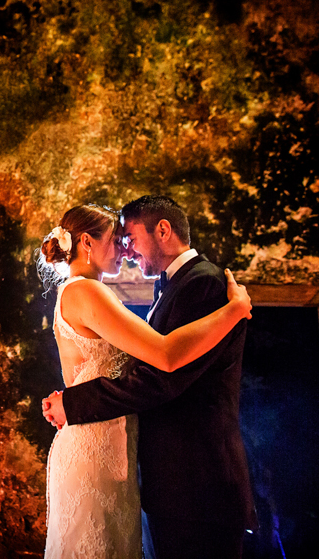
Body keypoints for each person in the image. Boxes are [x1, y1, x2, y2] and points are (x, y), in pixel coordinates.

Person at [42, 196, 257, 559]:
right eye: (117, 239)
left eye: (129, 238)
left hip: (192, 479)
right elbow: (164, 356)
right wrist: (236, 309)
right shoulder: (88, 291)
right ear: (87, 243)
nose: (125, 250)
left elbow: (162, 374)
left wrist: (72, 403)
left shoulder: (200, 283)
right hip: (104, 452)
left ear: (163, 230)